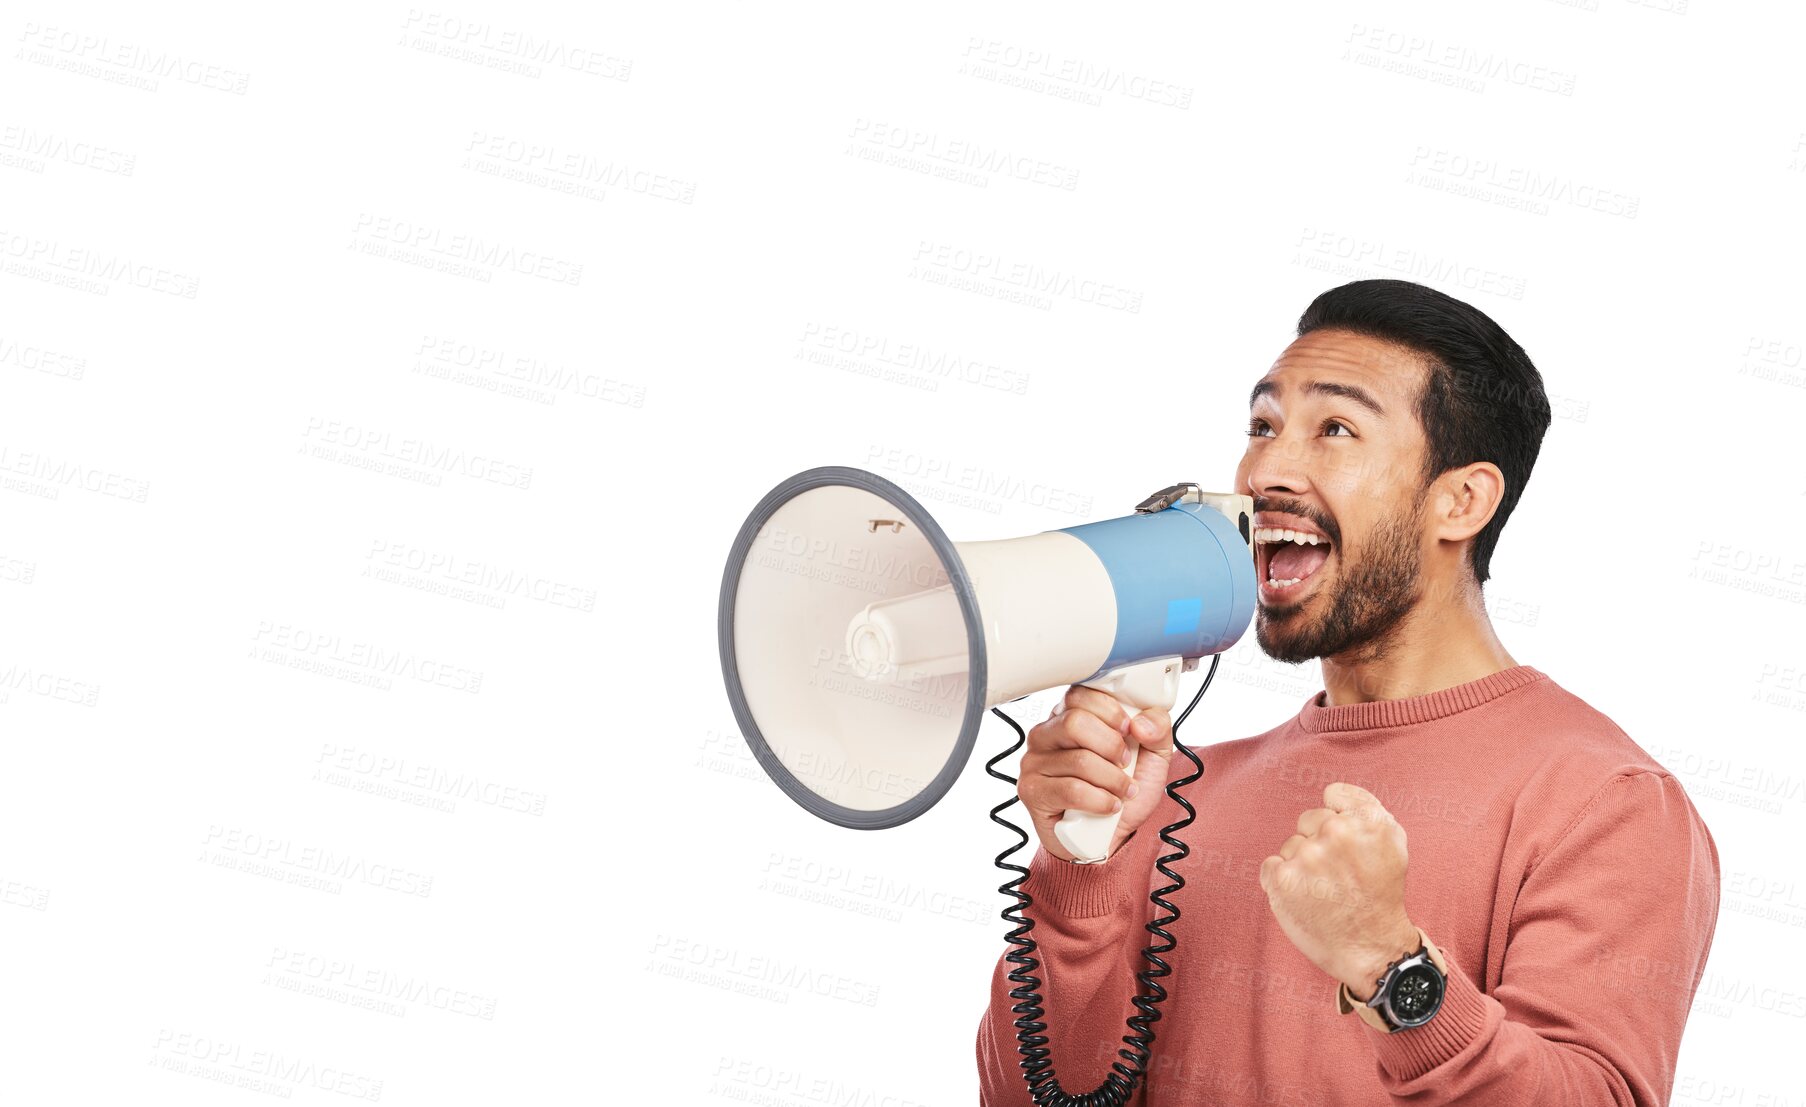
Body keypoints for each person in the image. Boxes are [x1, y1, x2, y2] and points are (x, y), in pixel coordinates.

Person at [975, 279, 1720, 1106]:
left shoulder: (1606, 803)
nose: (1264, 470)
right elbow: (1031, 1096)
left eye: (1334, 429)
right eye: (1262, 426)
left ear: (1460, 501)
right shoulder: (1177, 793)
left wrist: (1388, 962)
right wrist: (1082, 867)